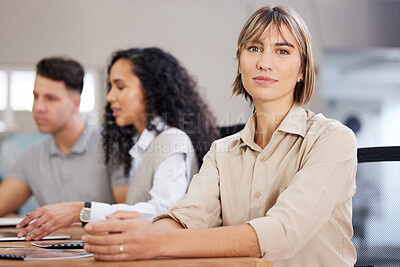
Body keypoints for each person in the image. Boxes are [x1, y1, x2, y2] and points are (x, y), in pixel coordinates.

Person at [82, 5, 358, 266]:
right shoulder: (221, 150)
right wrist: (148, 235)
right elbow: (187, 216)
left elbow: (282, 231)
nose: (264, 62)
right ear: (240, 61)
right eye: (254, 48)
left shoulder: (333, 140)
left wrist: (159, 241)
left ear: (302, 69)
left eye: (282, 51)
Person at [16, 47, 219, 241]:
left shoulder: (171, 140)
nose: (110, 97)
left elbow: (164, 212)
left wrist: (82, 211)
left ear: (152, 92)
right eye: (111, 87)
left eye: (120, 87)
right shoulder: (143, 147)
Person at [0, 57, 122, 218]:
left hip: (102, 242)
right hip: (51, 243)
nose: (38, 107)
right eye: (36, 96)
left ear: (76, 103)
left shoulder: (113, 148)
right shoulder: (32, 156)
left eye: (51, 98)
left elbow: (128, 215)